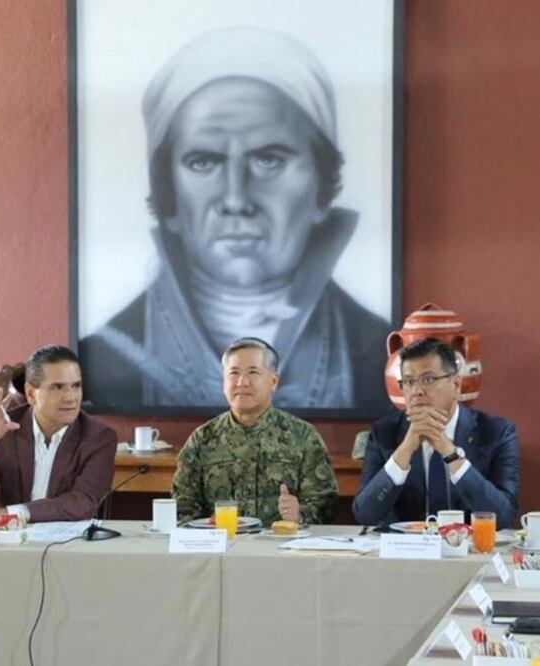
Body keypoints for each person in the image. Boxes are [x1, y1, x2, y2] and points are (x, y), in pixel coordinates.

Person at [80, 27, 390, 413]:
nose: (236, 200)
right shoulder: (105, 361)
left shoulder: (379, 357)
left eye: (268, 160)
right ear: (168, 192)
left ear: (322, 189)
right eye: (204, 162)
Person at [352, 338, 519, 528]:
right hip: (406, 545)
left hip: (469, 545)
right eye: (409, 381)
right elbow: (365, 514)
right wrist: (405, 450)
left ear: (456, 384)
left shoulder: (496, 432)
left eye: (428, 379)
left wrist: (449, 452)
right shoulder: (385, 433)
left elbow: (502, 517)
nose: (417, 391)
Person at [172, 338, 337, 526]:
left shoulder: (302, 436)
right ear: (224, 382)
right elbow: (183, 505)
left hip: (281, 541)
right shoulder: (202, 439)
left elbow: (325, 504)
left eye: (253, 372)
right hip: (221, 540)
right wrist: (205, 525)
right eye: (234, 373)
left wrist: (299, 515)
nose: (242, 382)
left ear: (273, 381)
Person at [0, 345, 118, 523]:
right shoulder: (6, 426)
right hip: (4, 537)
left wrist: (11, 513)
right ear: (31, 394)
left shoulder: (98, 437)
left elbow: (83, 502)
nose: (71, 397)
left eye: (76, 386)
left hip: (65, 539)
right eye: (57, 387)